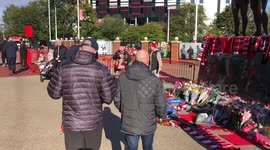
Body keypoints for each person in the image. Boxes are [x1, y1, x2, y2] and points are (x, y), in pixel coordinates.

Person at [47, 38, 116, 150]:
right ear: (95, 51)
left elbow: (54, 93)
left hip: (71, 121)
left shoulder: (63, 67)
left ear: (80, 48)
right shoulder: (101, 69)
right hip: (93, 122)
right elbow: (108, 98)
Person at [114, 49, 167, 150]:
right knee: (147, 146)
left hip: (130, 121)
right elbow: (160, 103)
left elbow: (117, 100)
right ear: (147, 61)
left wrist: (124, 109)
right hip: (148, 120)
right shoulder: (154, 80)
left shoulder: (123, 77)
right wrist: (161, 115)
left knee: (131, 147)